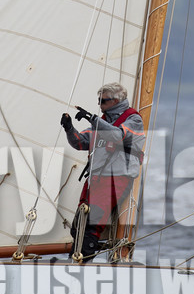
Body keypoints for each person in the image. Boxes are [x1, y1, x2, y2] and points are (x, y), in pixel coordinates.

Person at [60, 82, 144, 257]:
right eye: (98, 100)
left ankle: (85, 265)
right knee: (79, 225)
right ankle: (76, 261)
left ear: (115, 101)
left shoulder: (134, 120)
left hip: (117, 177)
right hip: (96, 178)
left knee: (92, 224)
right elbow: (80, 141)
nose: (99, 104)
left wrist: (92, 118)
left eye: (103, 101)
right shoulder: (102, 122)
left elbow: (118, 136)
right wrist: (69, 128)